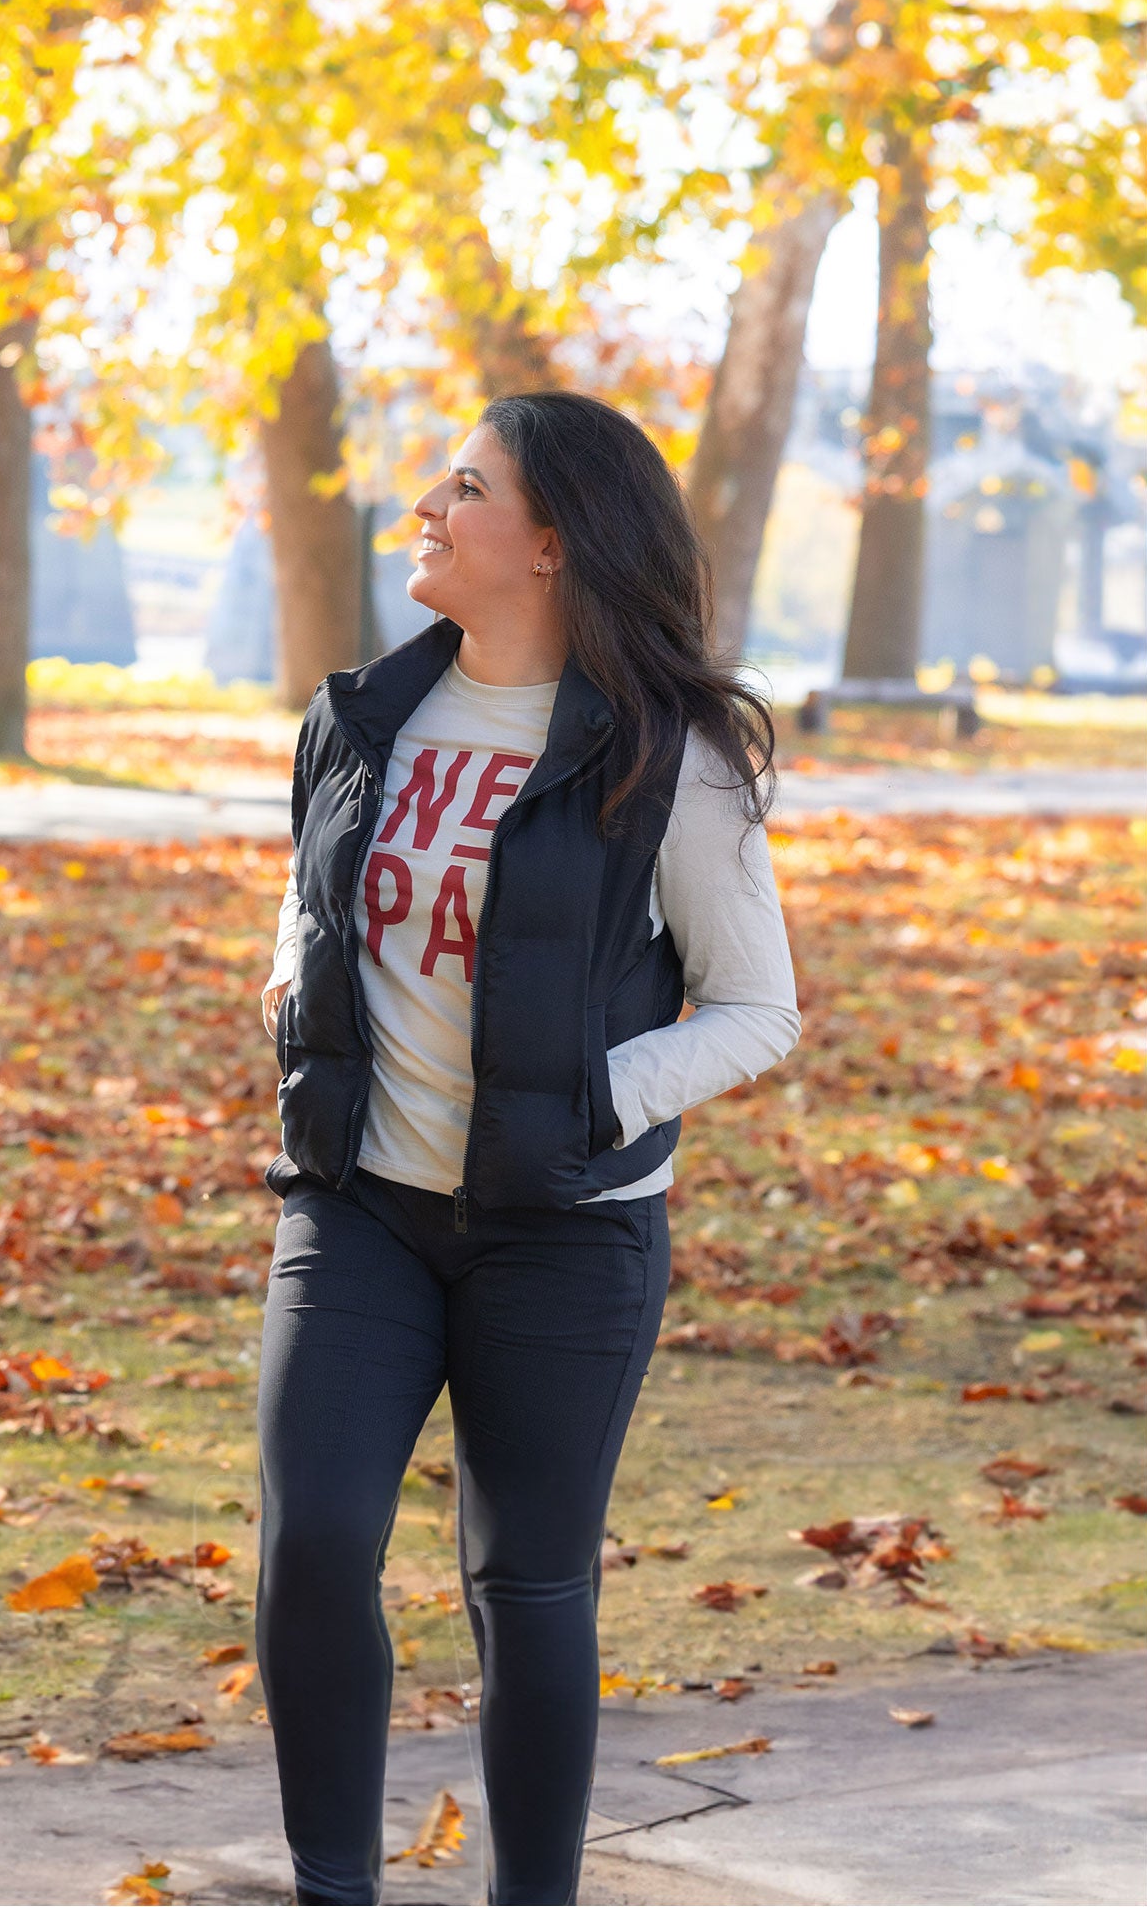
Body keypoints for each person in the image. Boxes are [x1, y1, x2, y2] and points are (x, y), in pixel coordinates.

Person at [255, 391, 800, 1906]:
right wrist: (292, 983)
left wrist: (586, 1099)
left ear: (550, 544)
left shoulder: (666, 759)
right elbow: (312, 890)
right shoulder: (364, 712)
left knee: (526, 1582)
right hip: (362, 1205)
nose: (427, 505)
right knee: (313, 1547)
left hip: (567, 1228)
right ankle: (331, 1888)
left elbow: (759, 1010)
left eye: (466, 486)